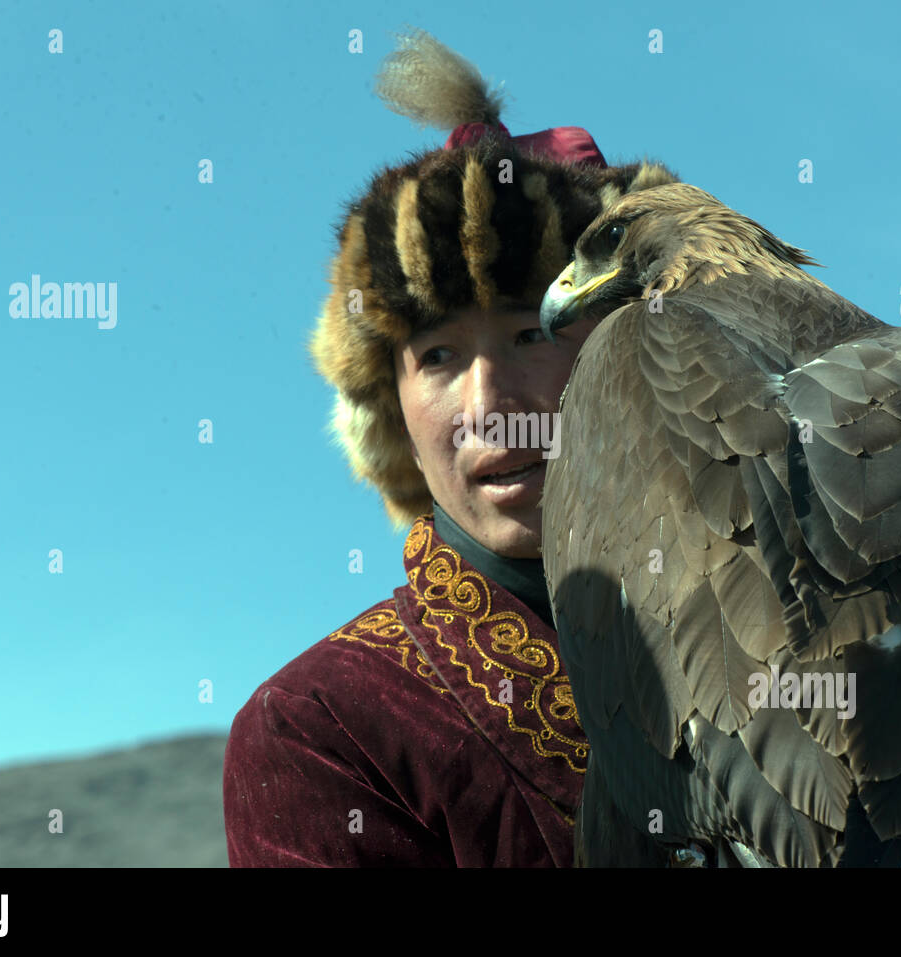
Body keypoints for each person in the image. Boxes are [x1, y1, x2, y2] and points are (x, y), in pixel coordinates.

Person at [222, 31, 677, 866]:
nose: (488, 407)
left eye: (532, 332)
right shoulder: (322, 728)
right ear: (389, 410)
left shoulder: (808, 644)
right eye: (436, 355)